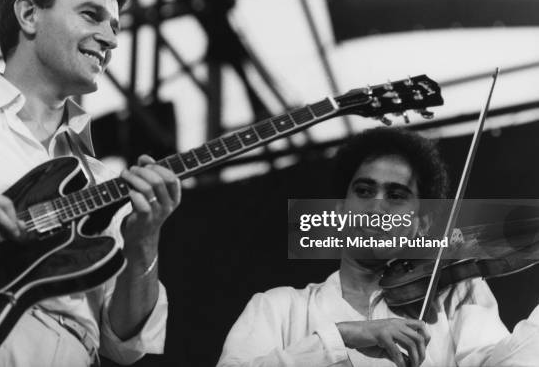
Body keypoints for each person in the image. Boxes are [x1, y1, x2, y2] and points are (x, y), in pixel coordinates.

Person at [0, 0, 180, 366]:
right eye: (91, 16)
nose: (111, 40)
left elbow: (124, 344)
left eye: (115, 27)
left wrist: (144, 243)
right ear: (29, 15)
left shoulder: (103, 181)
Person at [217, 127, 539, 367]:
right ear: (340, 209)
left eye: (396, 196)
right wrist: (341, 337)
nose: (377, 209)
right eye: (364, 190)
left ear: (422, 224)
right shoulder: (279, 307)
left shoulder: (457, 296)